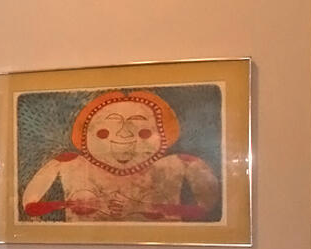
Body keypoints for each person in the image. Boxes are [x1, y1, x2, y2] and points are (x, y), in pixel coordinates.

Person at [20, 88, 219, 223]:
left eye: (143, 132)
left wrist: (144, 207)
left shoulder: (177, 165)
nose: (124, 137)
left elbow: (205, 210)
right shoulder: (69, 164)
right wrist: (70, 204)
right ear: (84, 136)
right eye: (104, 133)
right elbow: (31, 207)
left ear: (163, 135)